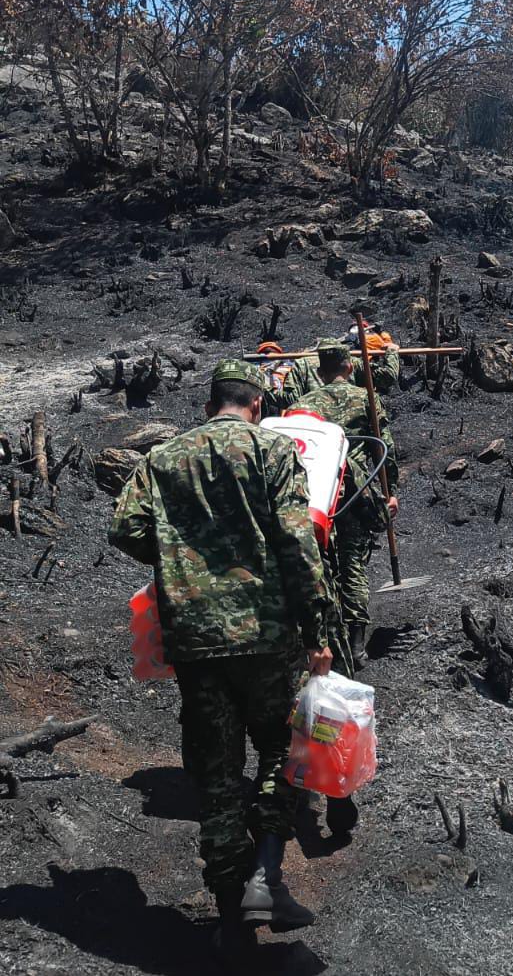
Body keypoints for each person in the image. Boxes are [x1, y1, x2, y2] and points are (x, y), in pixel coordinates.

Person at [108, 359, 335, 957]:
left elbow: (125, 528)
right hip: (264, 636)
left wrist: (183, 563)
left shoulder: (162, 459)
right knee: (285, 754)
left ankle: (231, 917)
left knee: (215, 775)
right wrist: (317, 626)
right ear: (257, 406)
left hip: (196, 641)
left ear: (211, 405)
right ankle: (267, 873)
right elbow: (296, 541)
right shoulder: (272, 452)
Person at [286, 338, 399, 674]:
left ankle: (322, 638)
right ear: (349, 367)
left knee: (319, 564)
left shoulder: (304, 404)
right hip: (357, 491)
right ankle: (357, 641)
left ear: (319, 371)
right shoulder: (366, 398)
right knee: (352, 564)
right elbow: (385, 448)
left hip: (319, 493)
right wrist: (390, 490)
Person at [279, 326, 400, 410]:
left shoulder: (302, 364)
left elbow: (290, 399)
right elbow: (388, 376)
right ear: (349, 368)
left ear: (320, 372)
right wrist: (392, 353)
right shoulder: (354, 363)